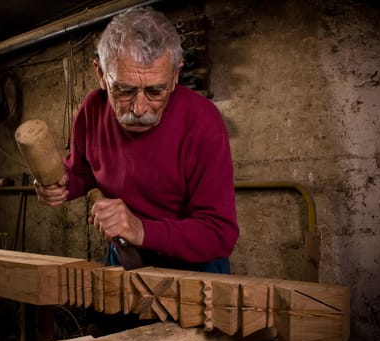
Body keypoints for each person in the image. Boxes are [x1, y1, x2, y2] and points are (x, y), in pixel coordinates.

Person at [35, 6, 239, 273]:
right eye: (124, 90)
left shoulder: (203, 122)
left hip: (195, 266)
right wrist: (62, 184)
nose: (140, 108)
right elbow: (83, 171)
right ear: (101, 74)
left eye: (155, 91)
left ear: (176, 75)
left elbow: (219, 233)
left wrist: (140, 229)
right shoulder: (91, 111)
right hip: (126, 254)